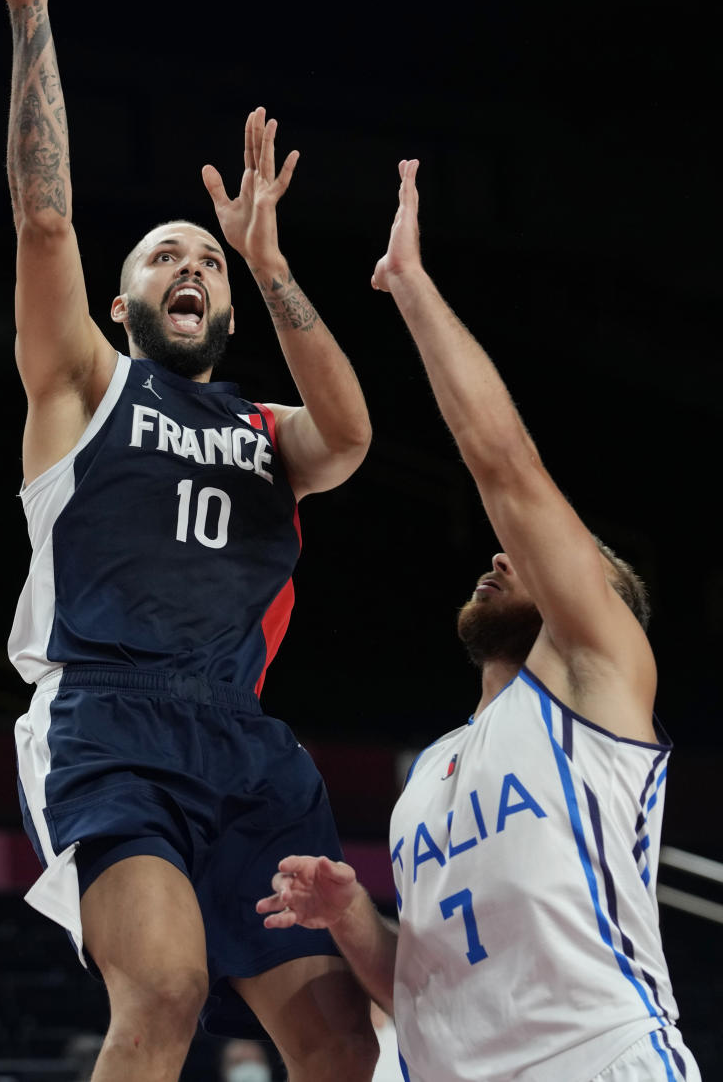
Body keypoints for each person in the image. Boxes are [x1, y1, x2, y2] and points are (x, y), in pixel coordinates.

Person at [0, 0, 378, 1082]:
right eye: (162, 256)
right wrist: (31, 9)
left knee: (345, 1036)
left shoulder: (261, 425)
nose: (187, 263)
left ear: (225, 305)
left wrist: (272, 261)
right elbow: (44, 224)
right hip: (111, 722)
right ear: (125, 302)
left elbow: (349, 434)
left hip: (242, 741)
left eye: (203, 257)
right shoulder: (84, 386)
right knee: (170, 989)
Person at [258, 159, 702, 1081]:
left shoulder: (597, 674)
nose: (500, 556)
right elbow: (426, 991)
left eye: (535, 562)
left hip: (596, 1060)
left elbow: (505, 468)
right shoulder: (429, 775)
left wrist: (412, 291)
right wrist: (351, 921)